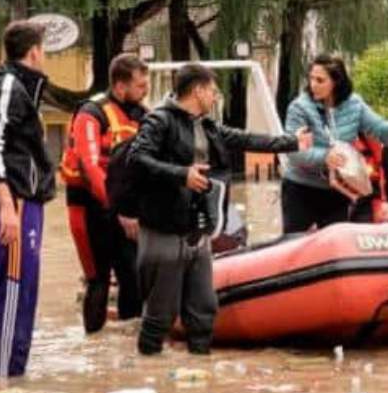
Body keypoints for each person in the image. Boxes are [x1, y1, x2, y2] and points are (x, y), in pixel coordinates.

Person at [128, 63, 310, 356]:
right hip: (163, 228)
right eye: (213, 91)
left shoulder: (208, 126)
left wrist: (292, 142)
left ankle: (201, 371)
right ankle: (150, 373)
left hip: (197, 228)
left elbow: (245, 138)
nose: (216, 97)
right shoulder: (159, 121)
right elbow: (137, 159)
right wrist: (181, 174)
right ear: (198, 90)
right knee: (160, 312)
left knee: (203, 308)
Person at [0, 20, 72, 377]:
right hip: (14, 200)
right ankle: (5, 378)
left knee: (18, 285)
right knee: (13, 287)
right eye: (43, 50)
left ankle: (4, 371)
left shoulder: (22, 88)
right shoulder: (8, 87)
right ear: (34, 52)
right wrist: (4, 205)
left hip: (23, 199)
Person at [60, 53, 150, 334]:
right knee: (98, 280)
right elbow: (88, 165)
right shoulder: (91, 113)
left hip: (125, 209)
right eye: (140, 85)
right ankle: (94, 345)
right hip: (89, 207)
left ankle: (127, 349)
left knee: (133, 277)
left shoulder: (143, 116)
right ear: (121, 86)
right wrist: (119, 208)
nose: (145, 90)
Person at [282, 54, 388, 233]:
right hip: (300, 188)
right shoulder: (299, 108)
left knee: (335, 244)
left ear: (336, 82)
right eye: (311, 79)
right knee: (295, 245)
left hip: (337, 190)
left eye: (320, 80)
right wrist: (324, 157)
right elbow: (294, 151)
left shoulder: (355, 104)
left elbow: (379, 128)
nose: (313, 85)